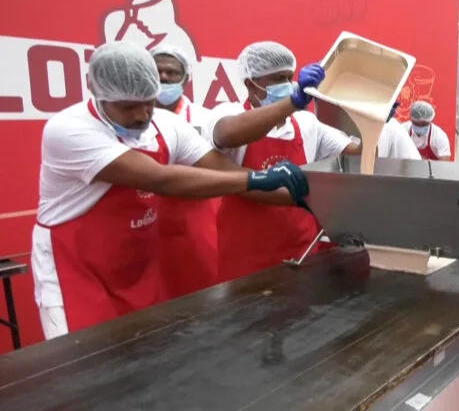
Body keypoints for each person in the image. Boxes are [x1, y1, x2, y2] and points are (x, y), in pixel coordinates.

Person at [32, 41, 309, 339]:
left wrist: (301, 198)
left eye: (148, 103)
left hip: (136, 263)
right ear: (96, 91)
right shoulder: (69, 129)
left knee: (146, 348)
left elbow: (220, 168)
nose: (142, 115)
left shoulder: (166, 124)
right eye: (128, 107)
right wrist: (256, 178)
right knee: (81, 356)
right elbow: (160, 179)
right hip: (77, 268)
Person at [210, 41, 360, 282]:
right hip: (246, 257)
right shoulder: (229, 113)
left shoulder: (306, 124)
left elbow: (355, 153)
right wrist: (292, 102)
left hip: (301, 251)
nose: (289, 85)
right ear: (251, 83)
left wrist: (369, 120)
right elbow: (225, 134)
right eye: (279, 79)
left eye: (290, 78)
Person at [150, 44, 219, 299]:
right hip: (147, 219)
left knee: (202, 289)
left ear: (186, 79)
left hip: (197, 220)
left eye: (172, 72)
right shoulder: (130, 119)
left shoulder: (205, 119)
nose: (164, 77)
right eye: (157, 71)